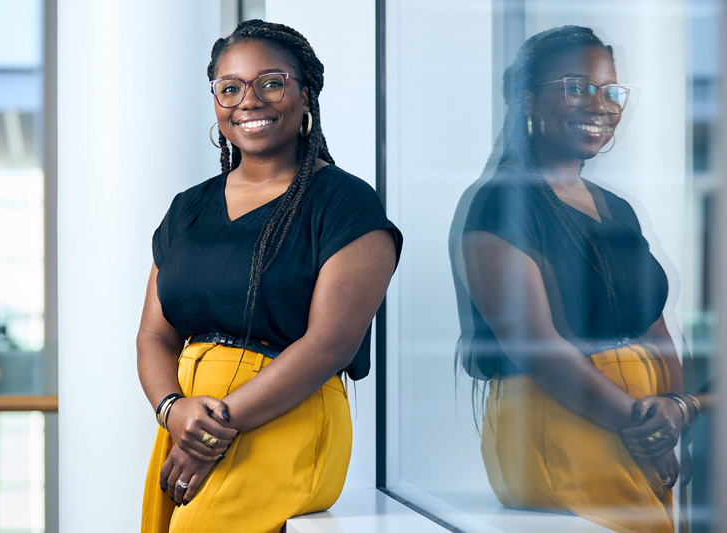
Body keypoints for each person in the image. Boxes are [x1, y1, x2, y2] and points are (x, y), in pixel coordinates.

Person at [137, 20, 402, 533]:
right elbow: (154, 332)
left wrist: (212, 429)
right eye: (230, 88)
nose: (248, 101)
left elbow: (329, 345)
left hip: (284, 416)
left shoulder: (345, 202)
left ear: (305, 95)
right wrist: (172, 410)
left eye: (271, 83)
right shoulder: (188, 208)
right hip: (188, 420)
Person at [448, 26, 699, 533]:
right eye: (576, 87)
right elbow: (536, 343)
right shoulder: (501, 200)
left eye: (612, 91)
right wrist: (639, 425)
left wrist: (672, 416)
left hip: (637, 423)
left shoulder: (618, 209)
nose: (601, 105)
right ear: (527, 99)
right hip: (564, 419)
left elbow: (654, 327)